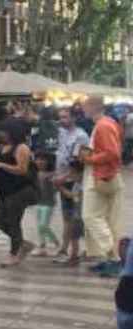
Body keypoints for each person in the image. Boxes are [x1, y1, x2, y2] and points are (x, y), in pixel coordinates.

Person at [80, 95, 125, 278]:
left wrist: (89, 159)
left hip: (101, 176)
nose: (83, 109)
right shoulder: (106, 123)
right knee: (107, 218)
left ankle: (112, 259)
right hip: (105, 175)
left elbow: (112, 153)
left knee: (90, 216)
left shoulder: (103, 125)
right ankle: (109, 258)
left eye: (85, 105)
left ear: (93, 106)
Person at [0, 119, 36, 268]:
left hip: (19, 190)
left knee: (13, 222)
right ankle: (23, 244)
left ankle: (14, 254)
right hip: (4, 190)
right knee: (0, 221)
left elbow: (22, 170)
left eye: (4, 131)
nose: (1, 134)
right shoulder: (2, 146)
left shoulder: (21, 148)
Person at [52, 107, 90, 266]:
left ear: (74, 118)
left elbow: (80, 163)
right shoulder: (61, 132)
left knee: (75, 218)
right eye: (60, 117)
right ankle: (65, 249)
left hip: (76, 181)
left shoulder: (81, 136)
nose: (62, 120)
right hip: (63, 179)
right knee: (67, 218)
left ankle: (74, 253)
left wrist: (64, 177)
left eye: (66, 117)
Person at [31, 151, 61, 257]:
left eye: (43, 160)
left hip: (48, 203)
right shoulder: (34, 173)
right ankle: (42, 246)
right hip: (38, 203)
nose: (40, 162)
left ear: (48, 162)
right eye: (38, 159)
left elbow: (57, 188)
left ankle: (56, 242)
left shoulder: (52, 174)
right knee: (40, 226)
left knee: (43, 225)